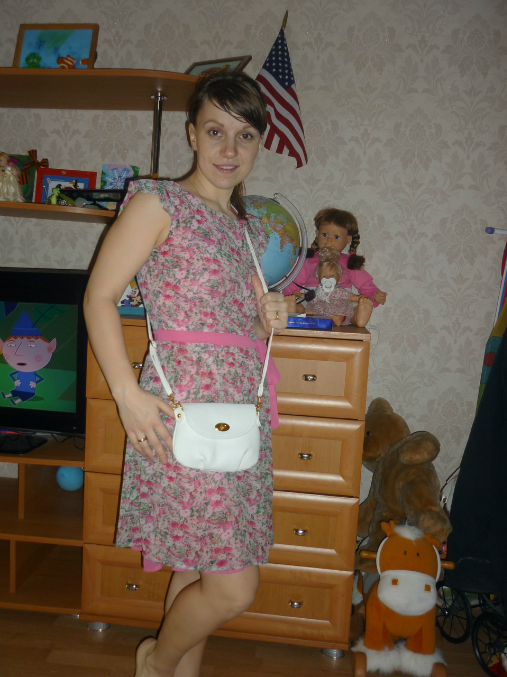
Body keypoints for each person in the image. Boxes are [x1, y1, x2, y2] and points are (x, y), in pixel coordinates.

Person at [83, 70, 289, 677]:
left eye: (245, 135)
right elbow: (98, 297)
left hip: (238, 416)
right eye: (216, 131)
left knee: (201, 564)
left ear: (259, 143)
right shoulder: (159, 203)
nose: (230, 149)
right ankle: (155, 661)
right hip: (181, 408)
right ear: (192, 134)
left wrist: (265, 319)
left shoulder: (248, 230)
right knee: (233, 587)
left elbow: (236, 333)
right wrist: (127, 396)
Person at [283, 208, 387, 315]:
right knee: (300, 307)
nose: (329, 240)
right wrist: (287, 296)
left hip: (341, 306)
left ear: (347, 240)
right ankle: (292, 308)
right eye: (324, 235)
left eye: (336, 237)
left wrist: (374, 294)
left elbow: (364, 284)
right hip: (313, 305)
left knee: (354, 310)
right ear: (317, 234)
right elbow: (294, 282)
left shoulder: (350, 263)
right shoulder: (309, 260)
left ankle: (360, 314)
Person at [301, 247, 374, 327]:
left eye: (332, 276)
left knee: (341, 311)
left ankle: (341, 320)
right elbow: (313, 297)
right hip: (323, 308)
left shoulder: (338, 291)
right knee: (316, 308)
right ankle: (315, 316)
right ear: (319, 279)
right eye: (324, 276)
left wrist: (358, 298)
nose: (328, 278)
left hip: (337, 307)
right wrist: (301, 295)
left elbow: (348, 296)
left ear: (339, 278)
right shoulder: (319, 291)